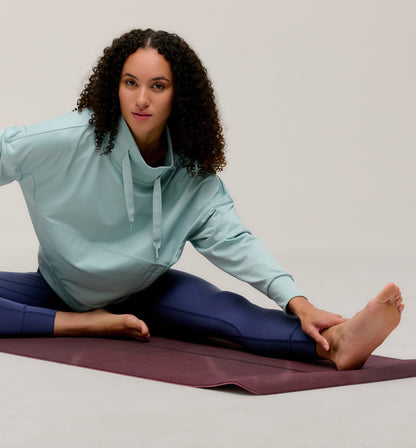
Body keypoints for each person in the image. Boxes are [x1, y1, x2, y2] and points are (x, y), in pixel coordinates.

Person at [0, 29, 404, 371]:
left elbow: (236, 242)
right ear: (114, 86)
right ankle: (82, 323)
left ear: (179, 96)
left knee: (229, 313)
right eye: (131, 83)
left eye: (158, 86)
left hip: (144, 291)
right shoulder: (65, 140)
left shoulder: (192, 176)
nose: (141, 99)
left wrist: (298, 302)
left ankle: (338, 342)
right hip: (55, 290)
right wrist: (83, 321)